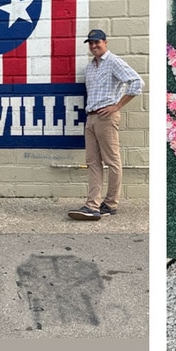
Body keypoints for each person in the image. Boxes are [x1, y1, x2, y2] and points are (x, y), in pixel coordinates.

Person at [68, 29, 144, 221]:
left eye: (97, 42)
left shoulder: (113, 62)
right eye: (91, 43)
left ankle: (110, 204)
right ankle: (92, 205)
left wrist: (116, 106)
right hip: (91, 117)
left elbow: (136, 83)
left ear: (105, 42)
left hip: (106, 118)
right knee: (92, 162)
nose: (94, 46)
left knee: (112, 161)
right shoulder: (90, 67)